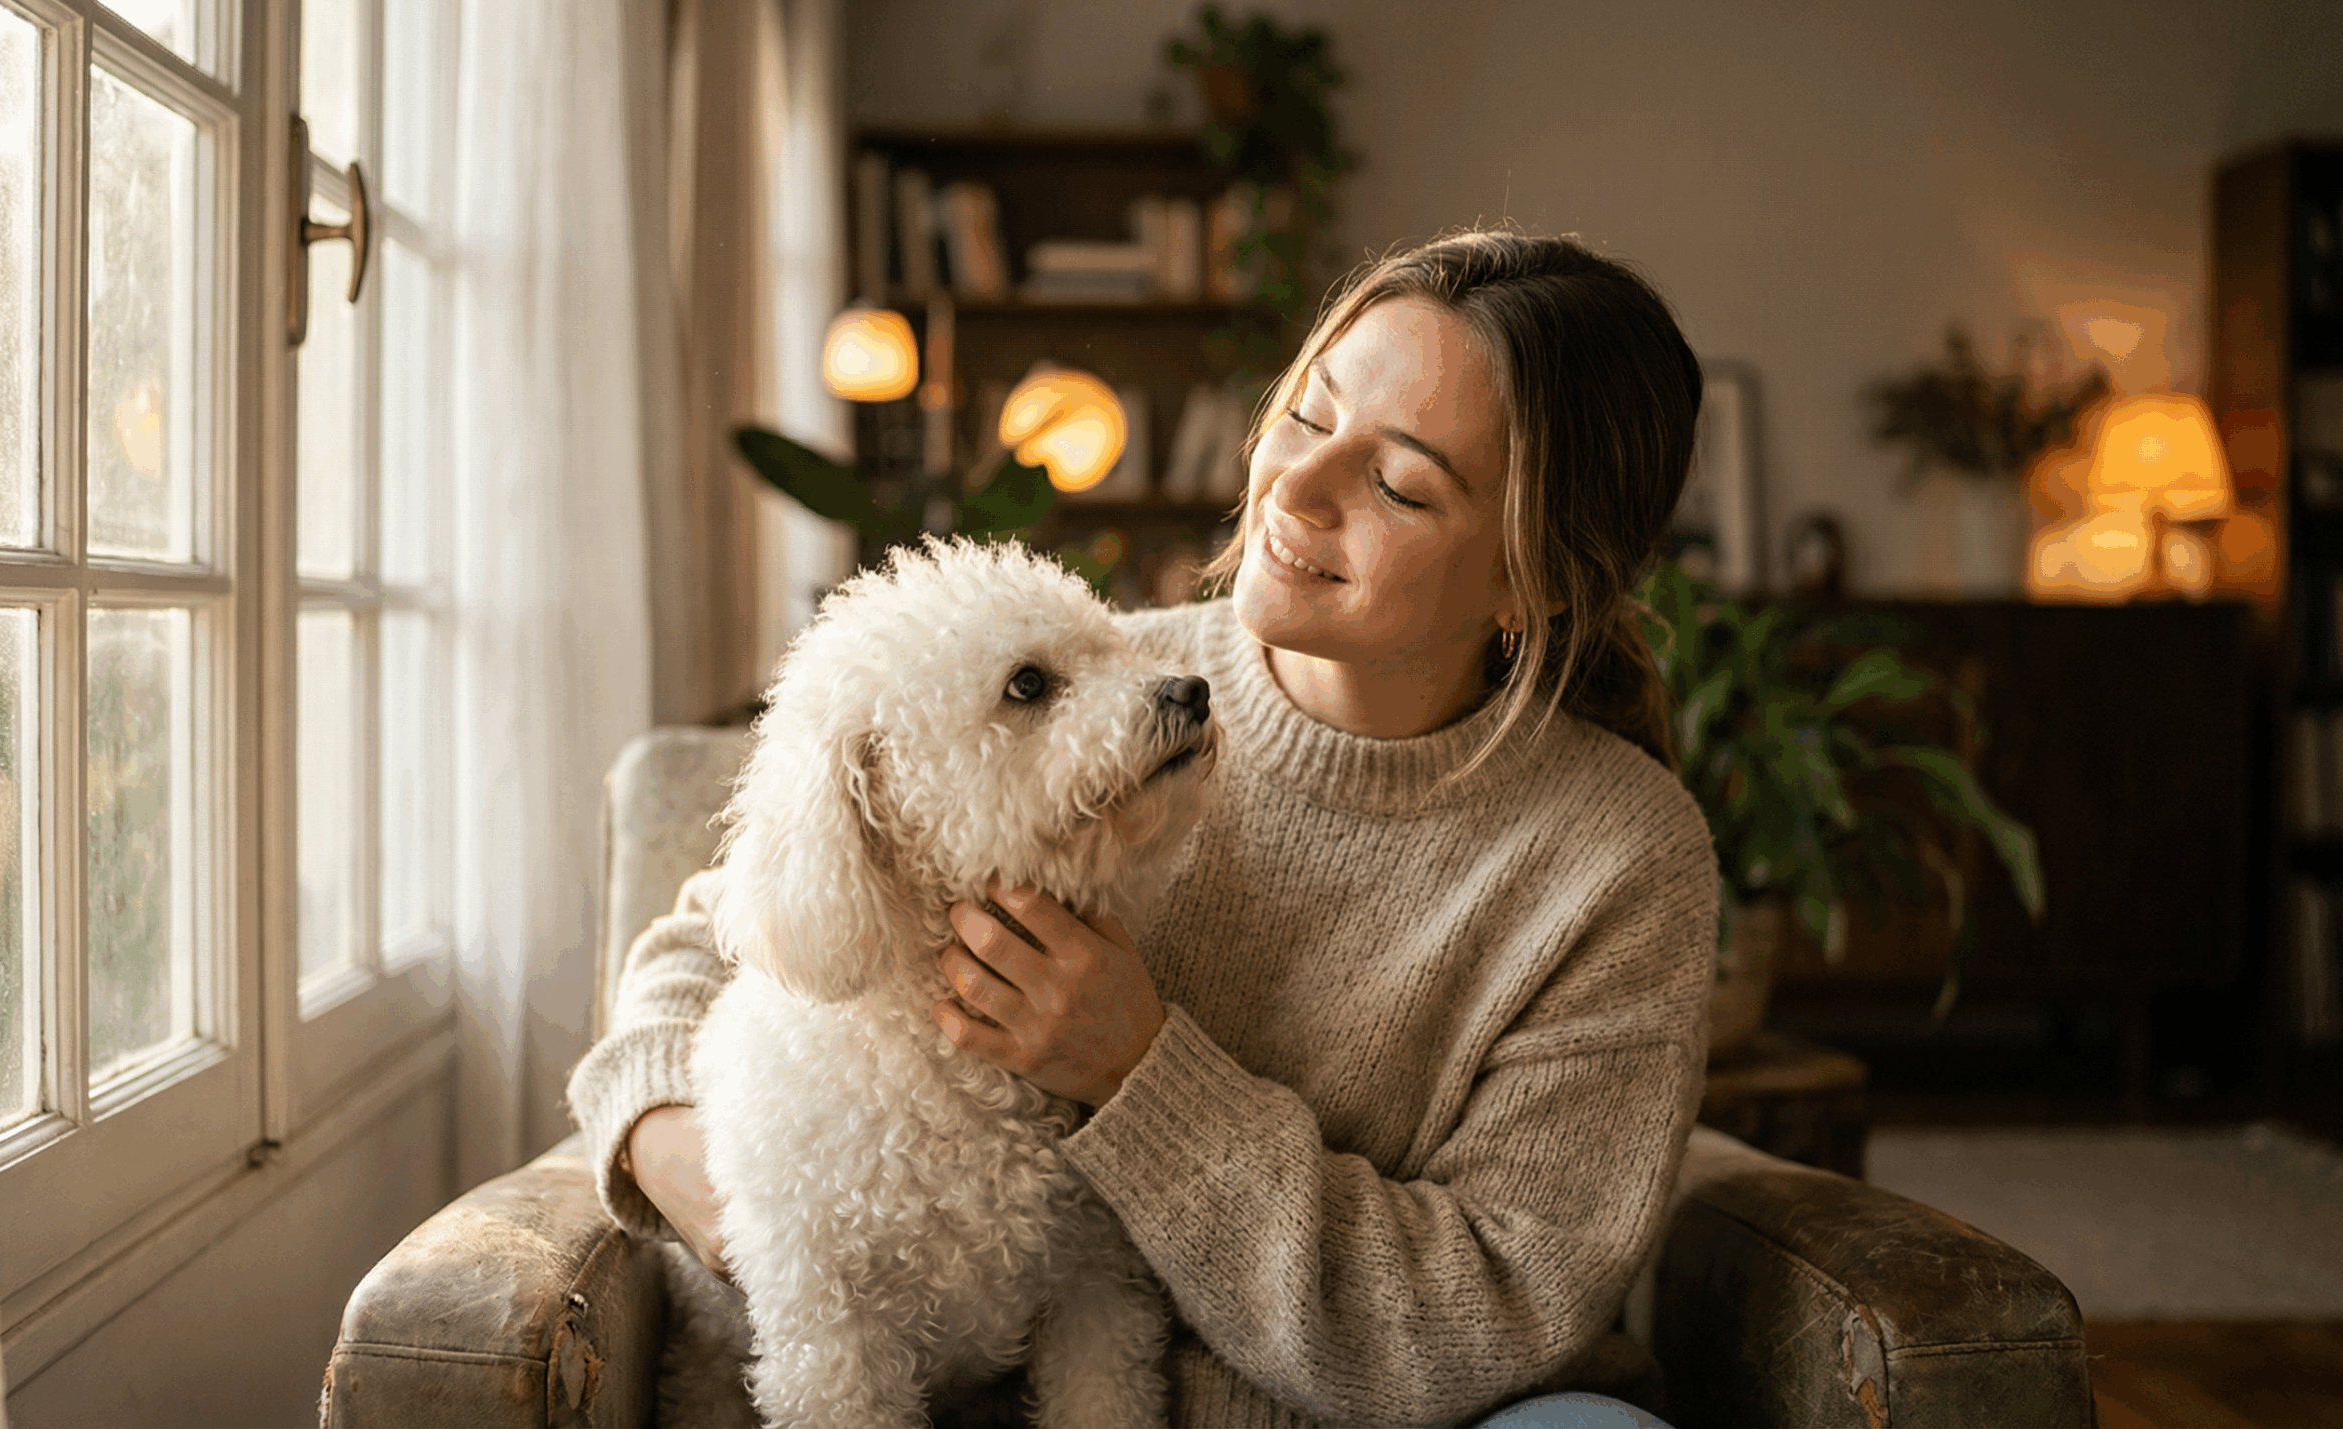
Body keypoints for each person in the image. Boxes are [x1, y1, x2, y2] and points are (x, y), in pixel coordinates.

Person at [570, 228, 1717, 1429]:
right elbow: (725, 933)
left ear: (1527, 579)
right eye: (1311, 416)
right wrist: (671, 1145)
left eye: (1398, 484)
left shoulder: (1618, 861)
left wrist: (1138, 1076)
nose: (1297, 490)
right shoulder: (1098, 680)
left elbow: (1487, 1317)